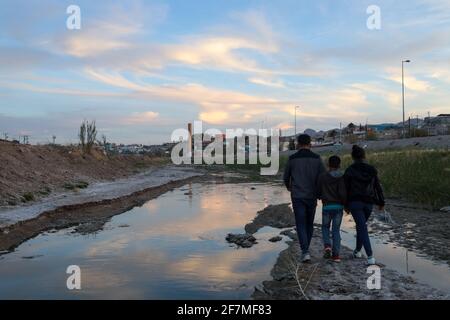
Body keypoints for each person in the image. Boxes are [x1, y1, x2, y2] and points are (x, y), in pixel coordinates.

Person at [283, 134, 326, 262]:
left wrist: (289, 187)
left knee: (300, 223)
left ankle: (305, 251)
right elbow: (322, 177)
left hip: (297, 195)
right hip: (312, 196)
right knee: (309, 223)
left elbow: (286, 177)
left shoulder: (292, 158)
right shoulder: (317, 158)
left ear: (298, 144)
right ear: (310, 144)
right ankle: (306, 249)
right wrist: (319, 193)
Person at [344, 145, 385, 265]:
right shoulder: (371, 170)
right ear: (364, 156)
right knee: (361, 226)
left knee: (362, 227)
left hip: (355, 203)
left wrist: (345, 205)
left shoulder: (349, 170)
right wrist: (381, 202)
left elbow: (345, 189)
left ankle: (370, 256)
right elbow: (377, 186)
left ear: (352, 157)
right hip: (369, 203)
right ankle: (357, 251)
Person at [318, 155, 346, 263]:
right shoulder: (342, 176)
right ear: (339, 165)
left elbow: (318, 190)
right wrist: (345, 204)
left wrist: (320, 197)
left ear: (328, 164)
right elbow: (343, 192)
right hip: (338, 207)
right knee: (336, 230)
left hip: (326, 206)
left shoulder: (323, 176)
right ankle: (336, 256)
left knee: (325, 227)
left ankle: (327, 246)